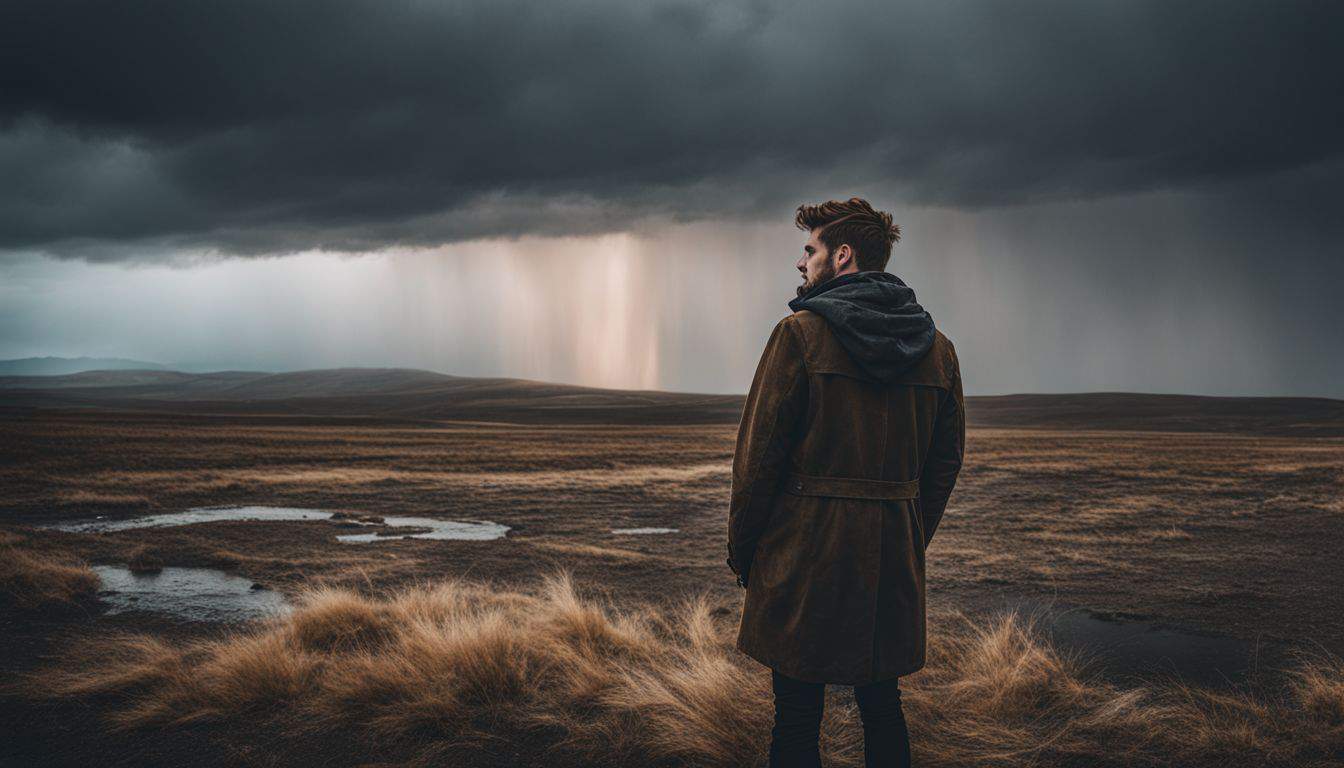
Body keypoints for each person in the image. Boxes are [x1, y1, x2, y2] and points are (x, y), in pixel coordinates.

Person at [725, 197, 966, 767]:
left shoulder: (798, 335)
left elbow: (756, 461)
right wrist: (906, 533)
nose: (801, 263)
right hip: (890, 557)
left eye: (810, 251)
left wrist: (746, 553)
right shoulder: (938, 349)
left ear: (844, 255)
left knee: (797, 713)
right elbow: (944, 464)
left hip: (803, 553)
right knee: (883, 704)